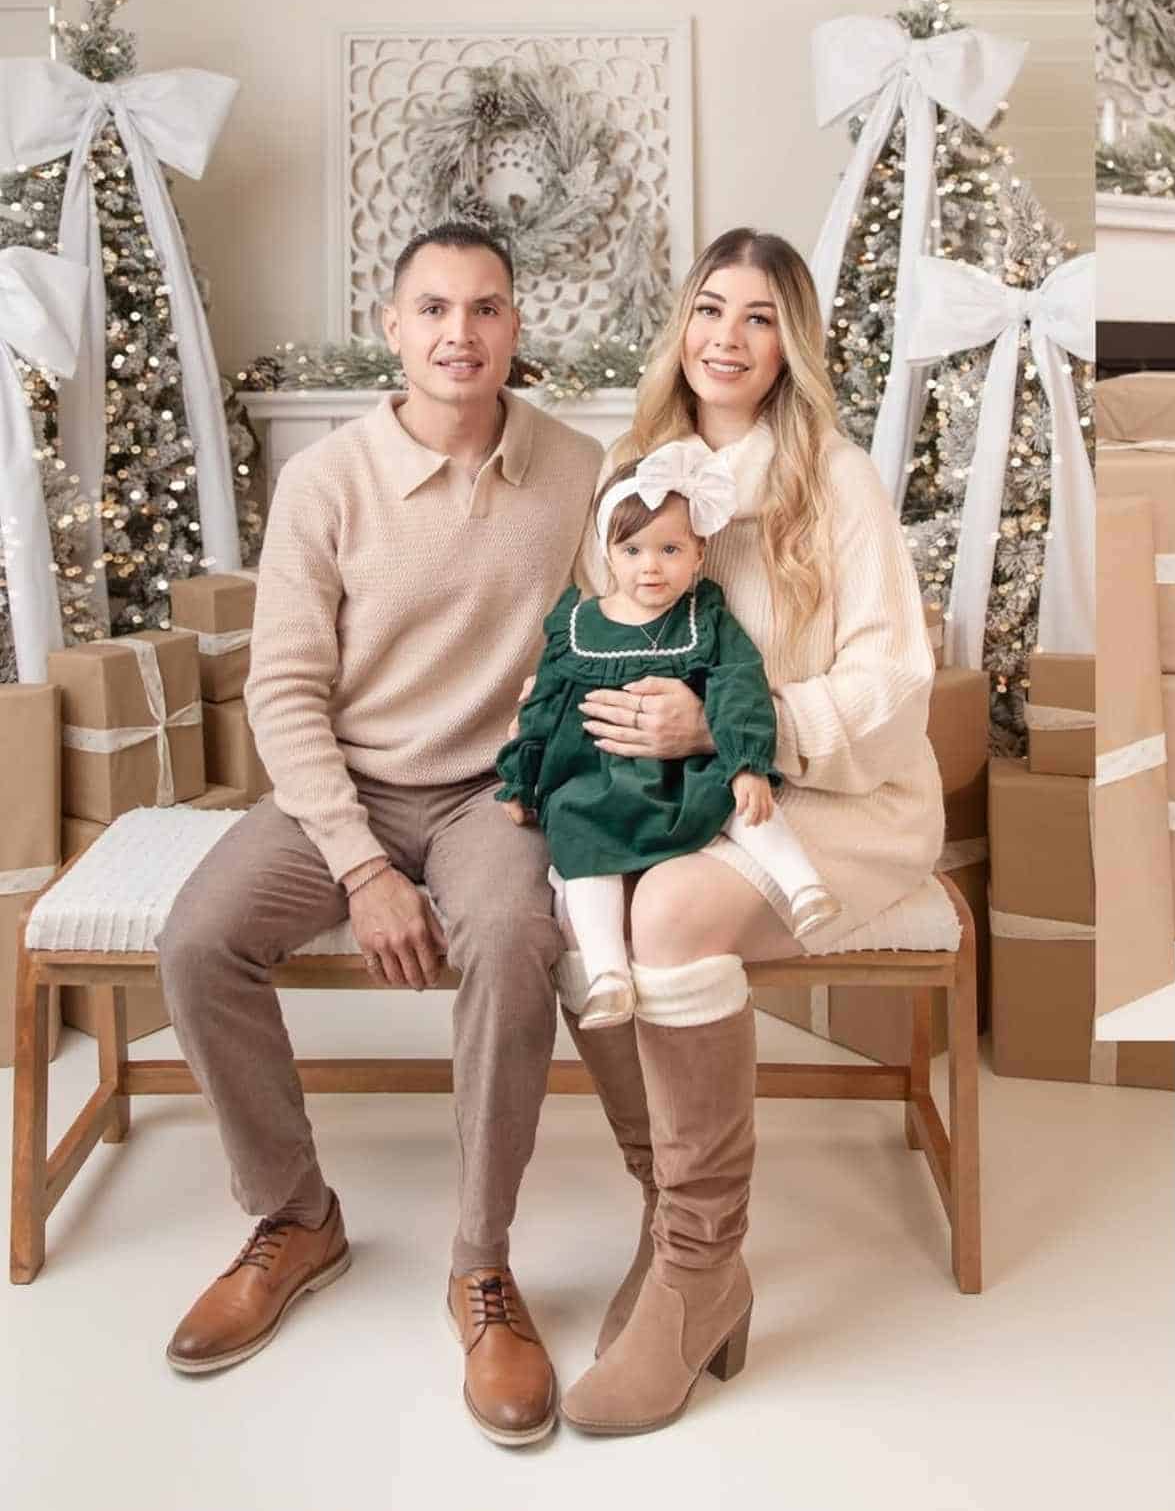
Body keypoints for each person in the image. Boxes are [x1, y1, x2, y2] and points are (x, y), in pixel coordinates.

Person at [157, 220, 602, 1448]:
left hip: (490, 797)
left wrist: (534, 780)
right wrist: (360, 864)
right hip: (341, 787)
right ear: (393, 328)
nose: (461, 334)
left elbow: (594, 642)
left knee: (516, 937)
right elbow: (284, 689)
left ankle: (480, 1267)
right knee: (198, 941)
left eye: (486, 309)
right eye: (435, 310)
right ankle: (296, 1218)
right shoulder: (328, 479)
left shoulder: (577, 469)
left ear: (517, 326)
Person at [549, 226, 944, 1436]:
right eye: (710, 309)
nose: (728, 337)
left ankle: (704, 1263)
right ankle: (674, 1232)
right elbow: (601, 638)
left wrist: (738, 727)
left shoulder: (837, 480)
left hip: (836, 799)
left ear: (792, 345)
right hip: (679, 800)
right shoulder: (638, 471)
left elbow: (897, 682)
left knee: (663, 916)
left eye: (760, 317)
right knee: (578, 906)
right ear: (682, 327)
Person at [495, 441, 840, 1030]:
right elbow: (545, 704)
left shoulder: (702, 617)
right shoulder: (577, 622)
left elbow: (738, 685)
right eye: (631, 550)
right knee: (576, 835)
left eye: (669, 549)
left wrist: (746, 761)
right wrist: (522, 781)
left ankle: (802, 884)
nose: (649, 567)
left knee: (737, 796)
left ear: (699, 554)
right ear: (607, 552)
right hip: (596, 777)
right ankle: (607, 974)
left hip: (681, 772)